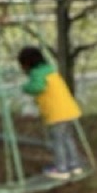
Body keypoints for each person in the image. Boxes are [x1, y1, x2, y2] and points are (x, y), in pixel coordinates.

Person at [17, 45, 84, 180]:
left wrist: (25, 87)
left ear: (27, 64)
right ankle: (75, 165)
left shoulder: (37, 74)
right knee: (68, 138)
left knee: (58, 141)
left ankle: (62, 169)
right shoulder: (50, 70)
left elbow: (38, 87)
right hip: (69, 111)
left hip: (57, 114)